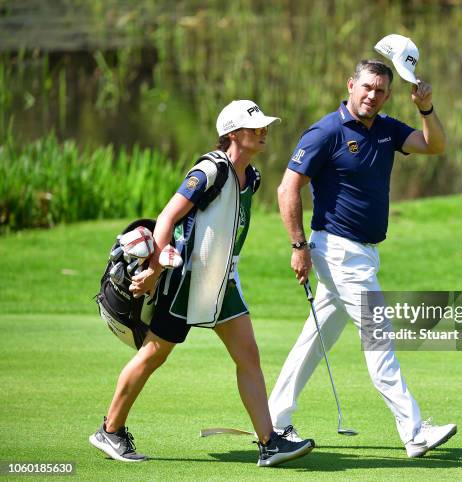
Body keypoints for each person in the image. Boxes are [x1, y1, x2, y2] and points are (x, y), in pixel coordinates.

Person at [89, 100, 315, 467]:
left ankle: (269, 442)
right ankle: (110, 431)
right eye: (253, 126)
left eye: (263, 126)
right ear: (232, 133)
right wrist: (153, 268)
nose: (263, 131)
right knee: (153, 354)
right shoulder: (210, 169)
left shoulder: (251, 176)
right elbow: (167, 217)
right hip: (186, 281)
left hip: (222, 282)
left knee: (249, 356)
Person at [268, 60, 456, 458]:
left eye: (381, 90)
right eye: (367, 87)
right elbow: (288, 188)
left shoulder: (388, 129)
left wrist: (426, 109)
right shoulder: (326, 132)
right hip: (337, 250)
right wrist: (298, 246)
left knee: (314, 340)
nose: (373, 95)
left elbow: (434, 145)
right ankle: (414, 431)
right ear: (351, 85)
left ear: (388, 95)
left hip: (363, 254)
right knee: (380, 339)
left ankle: (274, 419)